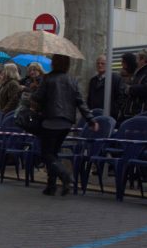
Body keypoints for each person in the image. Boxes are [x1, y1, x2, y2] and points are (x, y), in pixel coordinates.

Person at [32, 54, 98, 196]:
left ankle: (64, 175)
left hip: (50, 121)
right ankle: (51, 186)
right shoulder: (72, 80)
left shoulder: (48, 79)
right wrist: (91, 120)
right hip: (66, 122)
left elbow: (37, 98)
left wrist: (35, 89)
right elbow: (81, 102)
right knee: (54, 153)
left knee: (47, 154)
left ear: (54, 63)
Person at [119, 48, 147, 121]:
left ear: (143, 59)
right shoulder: (141, 72)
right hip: (135, 113)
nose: (136, 62)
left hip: (142, 113)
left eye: (137, 59)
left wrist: (130, 89)